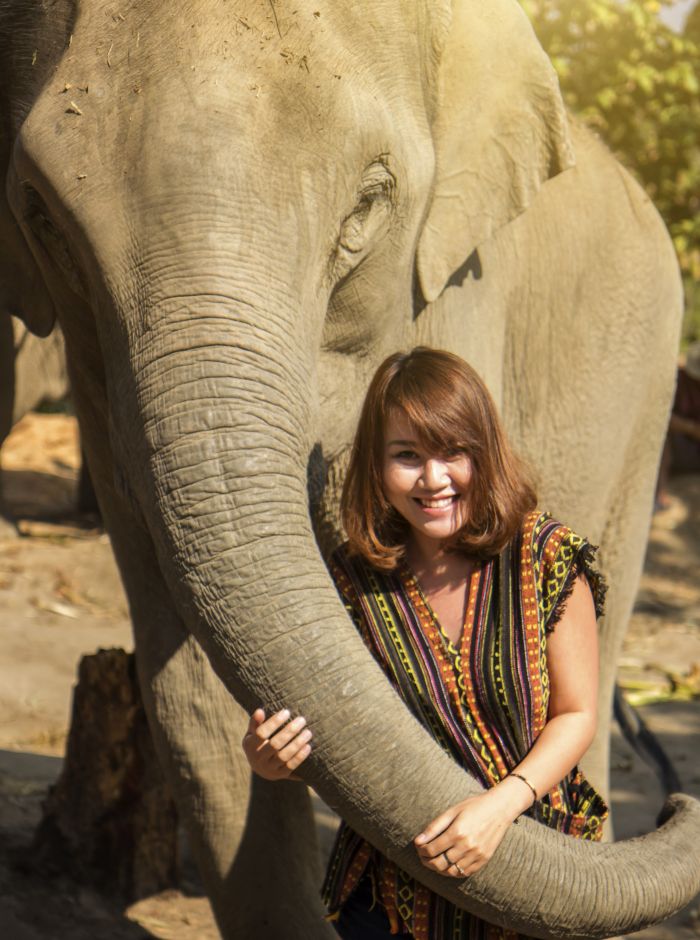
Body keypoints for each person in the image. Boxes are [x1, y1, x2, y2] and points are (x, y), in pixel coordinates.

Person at [242, 347, 608, 940]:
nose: (433, 479)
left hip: (534, 868)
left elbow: (577, 713)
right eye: (407, 456)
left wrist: (499, 807)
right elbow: (334, 733)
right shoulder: (351, 581)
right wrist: (273, 761)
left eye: (452, 452)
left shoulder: (546, 557)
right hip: (394, 890)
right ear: (377, 465)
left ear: (482, 452)